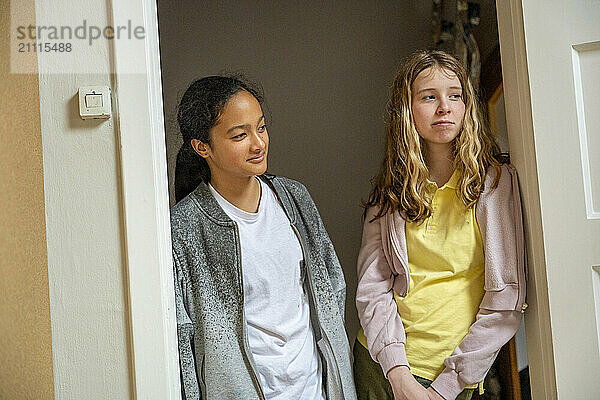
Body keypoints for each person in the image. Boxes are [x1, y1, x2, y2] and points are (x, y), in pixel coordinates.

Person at [354, 50, 526, 400]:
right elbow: (373, 289)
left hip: (454, 376)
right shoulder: (389, 193)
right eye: (429, 97)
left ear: (466, 106)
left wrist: (445, 389)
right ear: (407, 111)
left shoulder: (495, 185)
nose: (444, 107)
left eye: (455, 95)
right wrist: (398, 376)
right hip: (382, 368)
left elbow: (506, 302)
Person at [170, 75, 356, 400]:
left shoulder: (294, 196)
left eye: (262, 127)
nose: (258, 143)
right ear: (202, 147)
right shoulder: (184, 228)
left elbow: (332, 285)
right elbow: (183, 340)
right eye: (240, 135)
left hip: (317, 389)